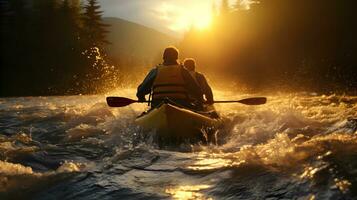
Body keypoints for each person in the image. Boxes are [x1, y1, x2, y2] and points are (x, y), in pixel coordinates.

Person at [136, 47, 203, 109]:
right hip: (181, 104)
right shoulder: (183, 71)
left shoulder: (155, 71)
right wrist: (199, 101)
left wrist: (141, 98)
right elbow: (196, 90)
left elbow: (141, 90)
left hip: (158, 104)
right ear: (176, 58)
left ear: (163, 57)